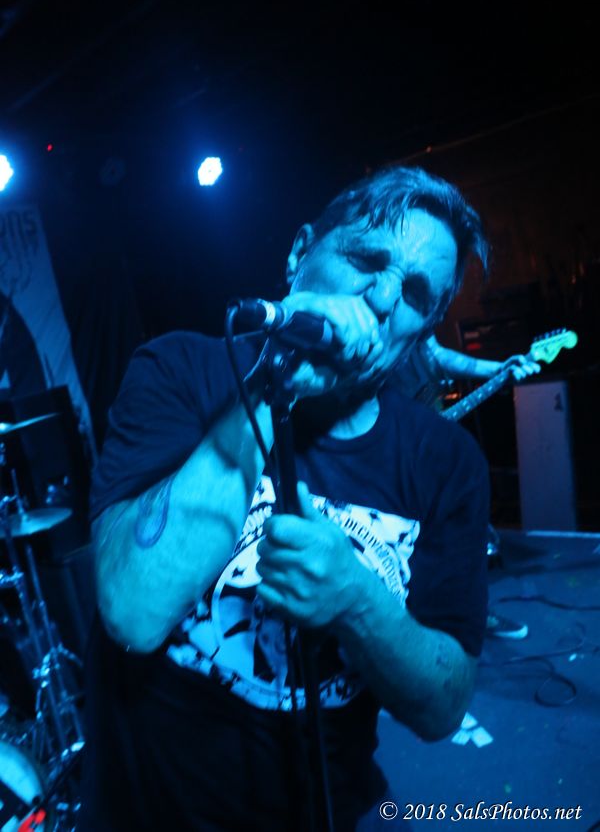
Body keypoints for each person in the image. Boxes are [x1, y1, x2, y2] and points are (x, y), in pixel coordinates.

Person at [78, 166, 492, 831]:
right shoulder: (178, 370)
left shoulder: (445, 462)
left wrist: (357, 602)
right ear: (300, 252)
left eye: (415, 294)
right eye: (366, 260)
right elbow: (134, 611)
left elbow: (442, 708)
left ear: (424, 330)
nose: (383, 299)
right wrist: (279, 378)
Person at [392, 336, 541, 640]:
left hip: (418, 438)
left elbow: (435, 353)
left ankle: (467, 613)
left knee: (460, 531)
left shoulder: (423, 325)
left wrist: (497, 369)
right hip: (383, 444)